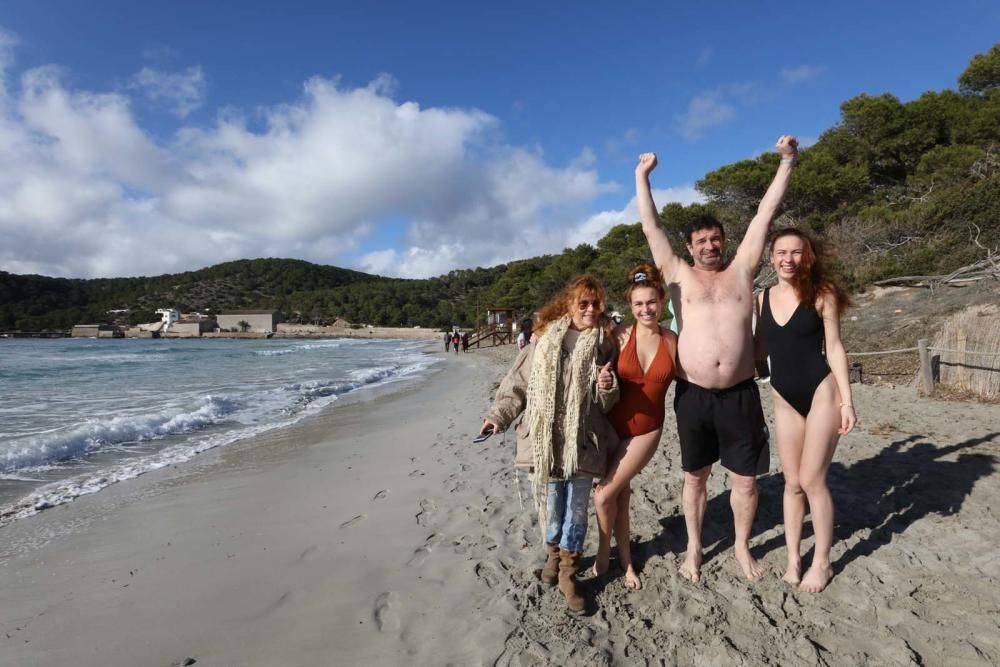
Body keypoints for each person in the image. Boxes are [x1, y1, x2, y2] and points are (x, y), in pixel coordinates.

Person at [635, 135, 798, 582]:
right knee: (696, 478)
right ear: (689, 247)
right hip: (693, 396)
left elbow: (765, 213)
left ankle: (743, 548)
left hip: (741, 395)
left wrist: (786, 161)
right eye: (701, 240)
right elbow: (651, 228)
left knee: (745, 481)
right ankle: (693, 549)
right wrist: (642, 177)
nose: (709, 245)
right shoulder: (677, 274)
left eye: (715, 238)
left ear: (724, 242)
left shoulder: (741, 269)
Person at [481, 275, 619, 613]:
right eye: (582, 303)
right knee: (552, 507)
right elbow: (517, 384)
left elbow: (609, 403)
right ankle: (553, 557)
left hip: (584, 442)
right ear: (569, 305)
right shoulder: (542, 341)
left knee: (576, 512)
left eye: (595, 304)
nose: (589, 309)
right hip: (544, 443)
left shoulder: (605, 344)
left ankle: (569, 573)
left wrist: (607, 384)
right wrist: (498, 417)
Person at [755, 228, 856, 593]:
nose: (788, 259)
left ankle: (823, 561)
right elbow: (754, 350)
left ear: (807, 256)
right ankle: (794, 557)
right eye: (781, 252)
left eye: (796, 252)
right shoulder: (761, 299)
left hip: (821, 393)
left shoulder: (822, 293)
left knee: (813, 480)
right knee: (793, 483)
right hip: (783, 397)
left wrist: (847, 401)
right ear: (770, 257)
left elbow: (835, 348)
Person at [594, 263, 677, 589]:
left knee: (603, 497)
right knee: (621, 498)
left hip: (647, 430)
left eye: (652, 302)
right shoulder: (618, 336)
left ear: (661, 302)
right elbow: (593, 368)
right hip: (611, 428)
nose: (646, 309)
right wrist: (601, 379)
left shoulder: (672, 340)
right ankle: (627, 562)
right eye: (639, 304)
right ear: (630, 307)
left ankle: (604, 553)